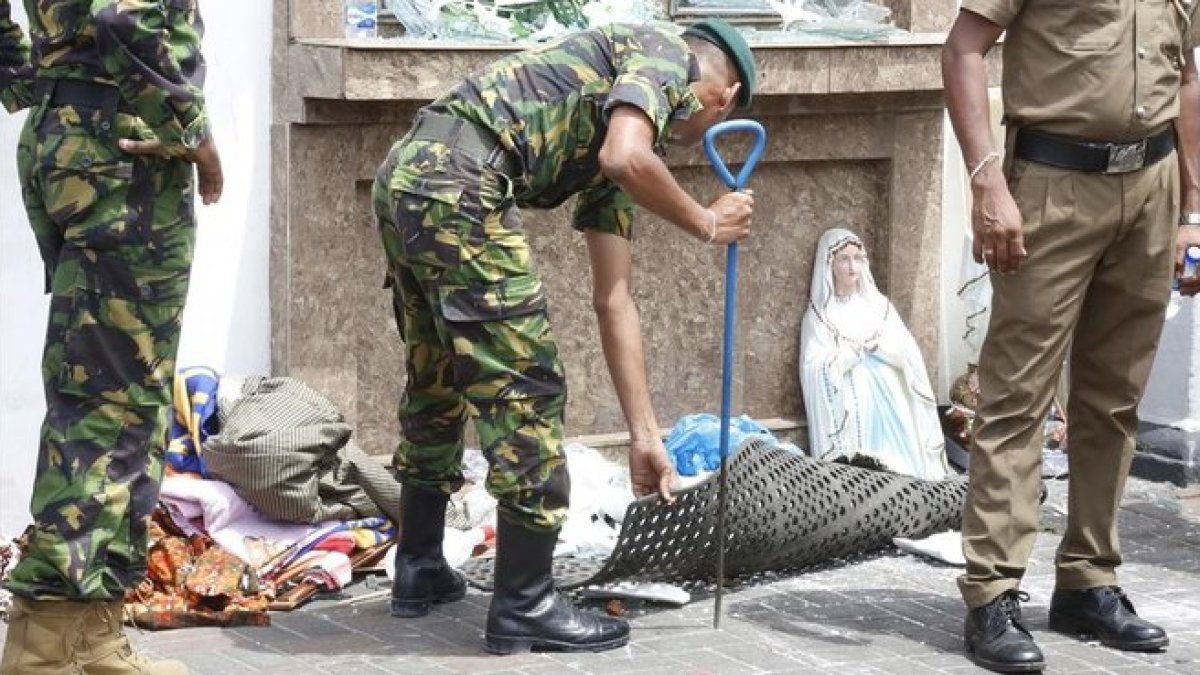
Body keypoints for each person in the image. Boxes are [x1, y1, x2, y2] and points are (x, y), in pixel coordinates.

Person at [372, 19, 755, 654]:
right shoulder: (666, 56)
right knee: (527, 387)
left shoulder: (622, 114)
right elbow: (626, 157)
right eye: (707, 127)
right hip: (462, 181)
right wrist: (707, 222)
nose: (692, 139)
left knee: (437, 375)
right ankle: (525, 602)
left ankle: (419, 568)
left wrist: (644, 435)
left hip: (412, 174)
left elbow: (614, 300)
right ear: (727, 98)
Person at [942, 1, 1200, 671]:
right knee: (1016, 397)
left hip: (1152, 186)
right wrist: (985, 180)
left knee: (1113, 400)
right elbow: (964, 48)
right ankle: (993, 591)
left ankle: (1089, 578)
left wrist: (1194, 211)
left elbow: (1187, 75)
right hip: (1053, 185)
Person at [0, 1, 223, 673]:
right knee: (111, 400)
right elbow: (128, 14)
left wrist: (25, 78)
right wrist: (192, 129)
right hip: (123, 147)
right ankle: (46, 642)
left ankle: (92, 631)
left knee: (117, 390)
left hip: (76, 139)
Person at [799, 228, 949, 481]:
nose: (852, 266)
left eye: (857, 258)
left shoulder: (878, 306)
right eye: (843, 259)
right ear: (829, 264)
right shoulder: (819, 316)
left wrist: (880, 349)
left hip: (892, 397)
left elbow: (908, 351)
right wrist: (846, 356)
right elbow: (813, 367)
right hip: (853, 403)